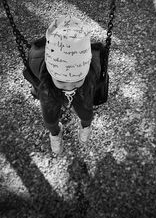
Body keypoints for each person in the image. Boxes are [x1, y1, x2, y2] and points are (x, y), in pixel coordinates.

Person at [28, 16, 101, 155]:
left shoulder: (91, 71)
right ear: (50, 72)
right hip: (50, 90)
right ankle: (55, 133)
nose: (69, 87)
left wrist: (78, 83)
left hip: (82, 90)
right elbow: (32, 75)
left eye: (76, 79)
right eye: (61, 81)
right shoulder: (38, 65)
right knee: (49, 118)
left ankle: (85, 125)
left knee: (86, 112)